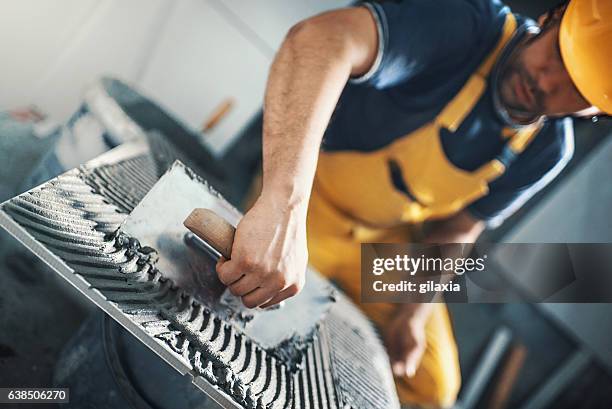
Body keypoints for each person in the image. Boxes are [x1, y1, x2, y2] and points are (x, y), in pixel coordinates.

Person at [212, 0, 611, 407]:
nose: (548, 81)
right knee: (255, 313)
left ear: (595, 108)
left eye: (576, 88)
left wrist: (413, 312)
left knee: (433, 388)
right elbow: (319, 40)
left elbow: (460, 228)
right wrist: (284, 209)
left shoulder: (547, 150)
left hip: (382, 248)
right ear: (550, 19)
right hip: (313, 204)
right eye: (559, 54)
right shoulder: (466, 26)